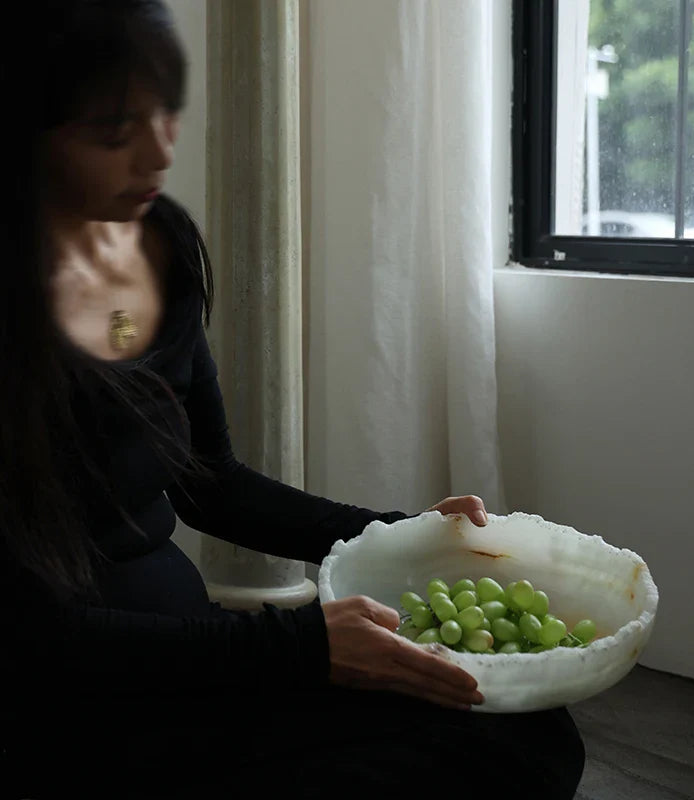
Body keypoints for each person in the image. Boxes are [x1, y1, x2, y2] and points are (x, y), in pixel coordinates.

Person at [0, 2, 585, 797]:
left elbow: (212, 481)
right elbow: (32, 639)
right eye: (113, 128)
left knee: (526, 730)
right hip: (67, 706)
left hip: (192, 662)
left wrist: (398, 534)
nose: (161, 151)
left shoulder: (155, 249)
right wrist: (302, 650)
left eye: (168, 111)